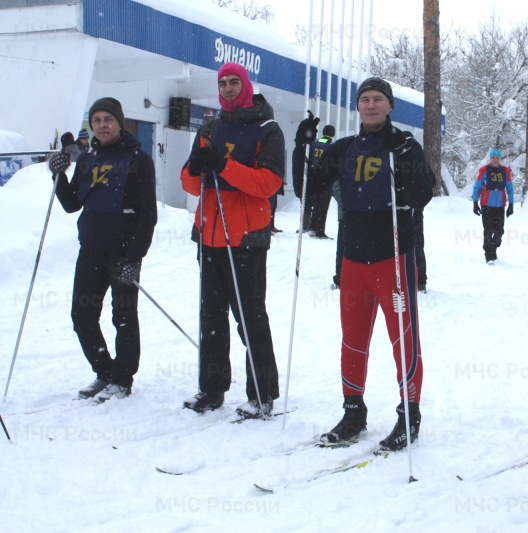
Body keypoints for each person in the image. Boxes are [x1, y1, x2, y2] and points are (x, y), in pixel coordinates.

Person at [293, 77, 432, 450]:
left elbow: (423, 195)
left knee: (403, 340)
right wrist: (302, 146)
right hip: (353, 260)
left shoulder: (403, 146)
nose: (370, 105)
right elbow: (304, 188)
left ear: (389, 106)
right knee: (353, 340)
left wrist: (406, 158)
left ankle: (409, 415)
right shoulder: (343, 148)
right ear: (358, 107)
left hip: (393, 259)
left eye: (378, 99)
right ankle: (353, 411)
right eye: (365, 100)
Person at [180, 62, 285, 419]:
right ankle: (211, 389)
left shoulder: (267, 128)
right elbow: (192, 183)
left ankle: (262, 392)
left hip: (245, 237)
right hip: (209, 234)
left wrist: (223, 167)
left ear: (246, 85)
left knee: (249, 316)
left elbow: (269, 184)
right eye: (222, 82)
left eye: (233, 82)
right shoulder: (210, 125)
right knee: (210, 317)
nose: (226, 88)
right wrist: (195, 169)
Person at [48, 97, 157, 402]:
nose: (102, 125)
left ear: (119, 122)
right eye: (96, 120)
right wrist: (58, 176)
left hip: (123, 252)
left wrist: (134, 257)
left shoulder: (138, 159)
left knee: (122, 316)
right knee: (82, 315)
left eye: (108, 119)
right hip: (91, 250)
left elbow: (148, 214)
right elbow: (72, 204)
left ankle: (122, 379)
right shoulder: (86, 159)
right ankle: (105, 371)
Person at [294, 123, 336, 239]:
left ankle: (312, 227)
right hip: (326, 179)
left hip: (312, 178)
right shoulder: (332, 146)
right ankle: (319, 231)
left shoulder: (313, 144)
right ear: (333, 134)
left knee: (314, 204)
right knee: (323, 206)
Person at [472, 148, 514, 263]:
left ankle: (493, 249)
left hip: (500, 204)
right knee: (488, 230)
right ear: (490, 159)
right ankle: (489, 255)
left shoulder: (505, 171)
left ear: (500, 159)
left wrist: (511, 205)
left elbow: (510, 188)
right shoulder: (484, 170)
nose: (495, 160)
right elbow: (477, 187)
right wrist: (475, 203)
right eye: (493, 158)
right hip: (487, 204)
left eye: (497, 158)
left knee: (499, 231)